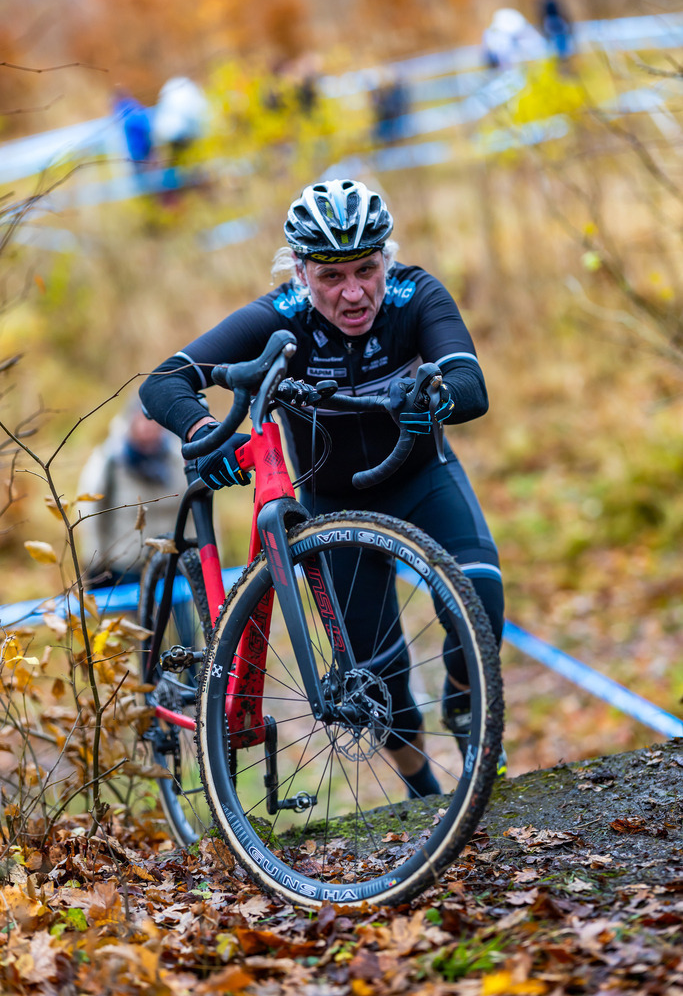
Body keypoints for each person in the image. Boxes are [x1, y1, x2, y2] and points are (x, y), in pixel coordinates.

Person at [139, 178, 506, 796]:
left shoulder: (416, 295)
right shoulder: (280, 316)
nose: (353, 292)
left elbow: (472, 386)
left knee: (482, 603)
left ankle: (467, 705)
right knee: (379, 686)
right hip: (333, 506)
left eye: (366, 270)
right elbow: (162, 383)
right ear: (300, 272)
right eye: (331, 277)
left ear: (386, 259)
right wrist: (206, 431)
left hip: (422, 480)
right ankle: (424, 794)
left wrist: (433, 397)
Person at [77, 400, 187, 587]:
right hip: (125, 567)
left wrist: (204, 556)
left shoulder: (179, 458)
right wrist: (95, 563)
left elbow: (193, 511)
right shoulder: (110, 460)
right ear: (130, 422)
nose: (148, 427)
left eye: (153, 421)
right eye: (142, 420)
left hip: (173, 563)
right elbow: (91, 513)